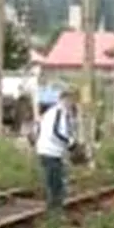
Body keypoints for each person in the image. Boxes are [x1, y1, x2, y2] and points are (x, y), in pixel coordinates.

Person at [34, 87, 78, 216]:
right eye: (69, 100)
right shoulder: (58, 112)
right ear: (63, 99)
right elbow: (56, 132)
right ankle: (54, 214)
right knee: (55, 185)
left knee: (56, 183)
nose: (71, 103)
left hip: (51, 152)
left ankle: (55, 212)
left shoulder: (58, 113)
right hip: (50, 152)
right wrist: (70, 143)